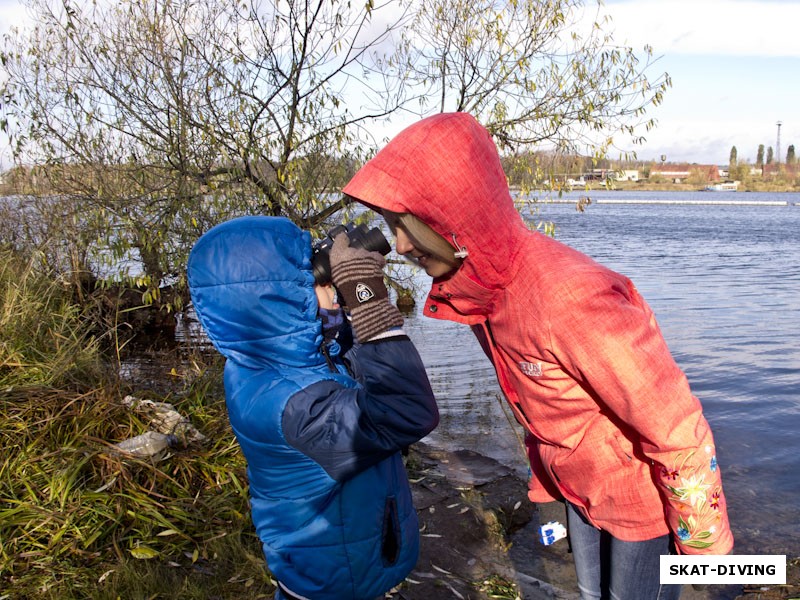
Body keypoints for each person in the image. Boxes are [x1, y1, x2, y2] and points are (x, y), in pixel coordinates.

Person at [341, 112, 733, 600]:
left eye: (407, 225)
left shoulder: (567, 297)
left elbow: (676, 431)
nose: (399, 245)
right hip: (576, 491)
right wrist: (546, 498)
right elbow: (537, 411)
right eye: (391, 227)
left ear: (454, 220)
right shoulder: (482, 293)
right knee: (590, 595)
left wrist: (714, 569)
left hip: (636, 504)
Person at [186, 215, 439, 600]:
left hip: (347, 566)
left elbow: (344, 357)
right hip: (331, 584)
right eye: (317, 281)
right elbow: (407, 411)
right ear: (277, 301)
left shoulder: (271, 360)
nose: (332, 288)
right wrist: (364, 292)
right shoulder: (295, 406)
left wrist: (347, 294)